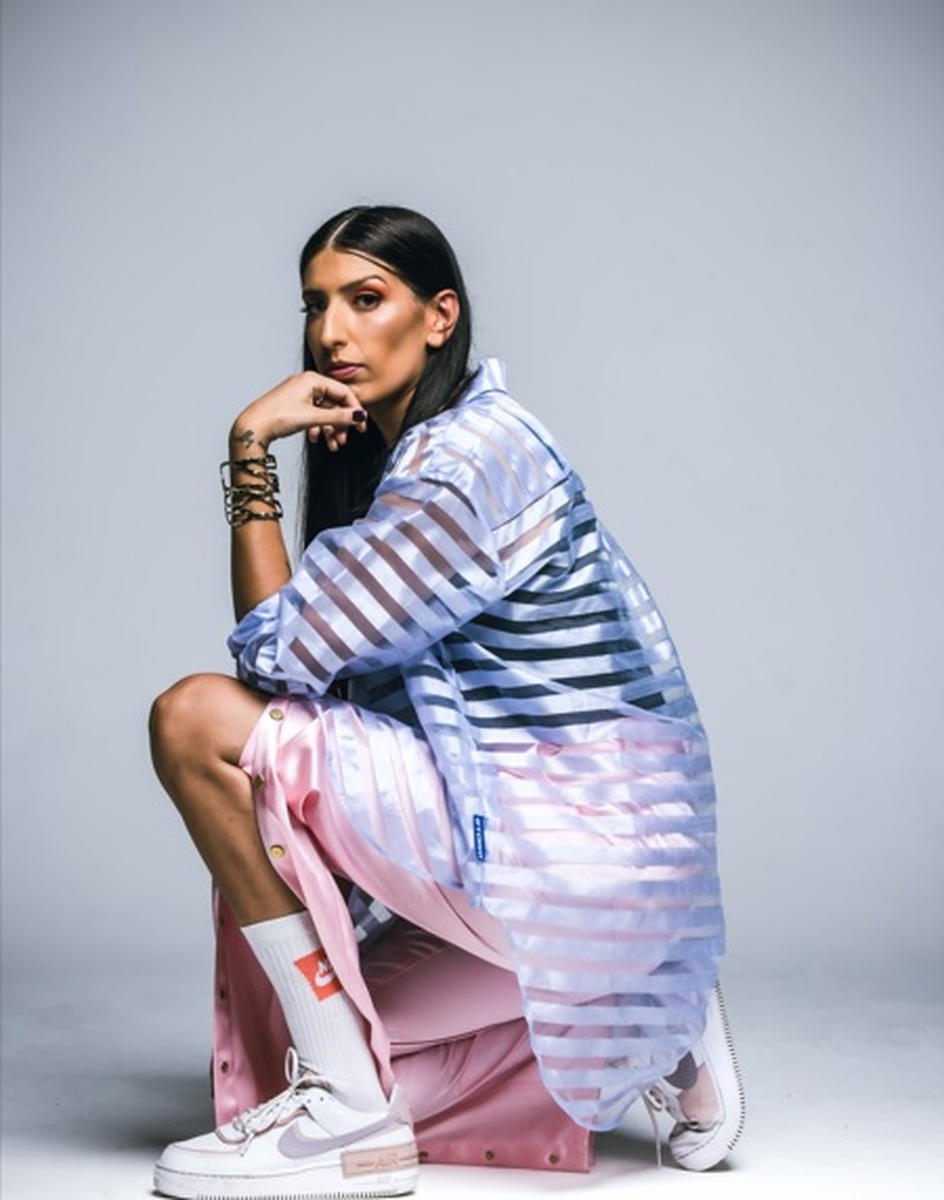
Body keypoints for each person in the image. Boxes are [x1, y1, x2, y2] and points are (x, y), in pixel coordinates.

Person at [149, 204, 745, 1199]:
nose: (332, 333)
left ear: (439, 317)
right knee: (359, 1046)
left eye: (365, 299)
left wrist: (248, 449)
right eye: (315, 306)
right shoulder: (438, 453)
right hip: (591, 850)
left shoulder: (460, 465)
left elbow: (277, 662)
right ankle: (645, 1015)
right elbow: (361, 695)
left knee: (193, 719)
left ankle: (347, 1107)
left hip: (567, 846)